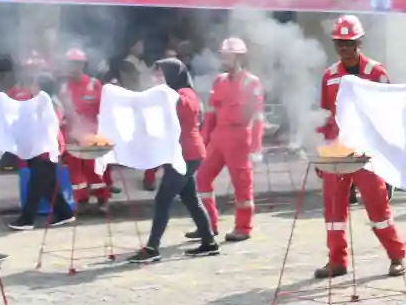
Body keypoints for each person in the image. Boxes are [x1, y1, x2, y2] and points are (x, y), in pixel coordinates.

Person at [318, 15, 406, 279]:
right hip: (337, 150)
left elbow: (389, 114)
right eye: (339, 43)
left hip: (368, 151)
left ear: (359, 42)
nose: (344, 48)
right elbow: (325, 117)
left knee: (377, 206)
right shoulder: (329, 76)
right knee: (333, 209)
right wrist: (322, 152)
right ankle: (337, 261)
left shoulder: (377, 73)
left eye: (349, 43)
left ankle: (397, 256)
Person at [130, 58, 216, 262]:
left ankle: (152, 248)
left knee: (163, 199)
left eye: (162, 73)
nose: (158, 78)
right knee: (191, 199)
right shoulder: (173, 94)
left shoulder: (185, 94)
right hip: (182, 154)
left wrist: (164, 95)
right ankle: (209, 242)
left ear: (173, 75)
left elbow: (184, 107)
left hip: (186, 155)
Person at [194, 37, 265, 244]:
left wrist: (256, 147)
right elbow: (210, 115)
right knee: (202, 177)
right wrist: (203, 141)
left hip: (240, 137)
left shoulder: (251, 83)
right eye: (222, 56)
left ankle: (243, 227)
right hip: (219, 135)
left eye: (228, 56)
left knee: (242, 185)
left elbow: (258, 117)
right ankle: (207, 223)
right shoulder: (219, 81)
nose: (224, 60)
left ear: (239, 57)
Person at [8, 74, 78, 233]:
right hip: (40, 147)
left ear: (40, 87)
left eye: (34, 84)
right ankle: (65, 213)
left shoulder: (49, 103)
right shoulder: (41, 102)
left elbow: (46, 126)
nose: (31, 87)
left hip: (45, 149)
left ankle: (26, 219)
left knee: (36, 185)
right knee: (49, 185)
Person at [61, 48, 111, 213]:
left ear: (83, 65)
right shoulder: (63, 87)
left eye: (77, 64)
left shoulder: (94, 84)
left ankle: (102, 198)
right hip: (71, 134)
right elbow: (59, 111)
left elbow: (104, 110)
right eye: (70, 64)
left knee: (93, 169)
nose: (73, 67)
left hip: (92, 134)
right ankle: (81, 199)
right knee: (74, 170)